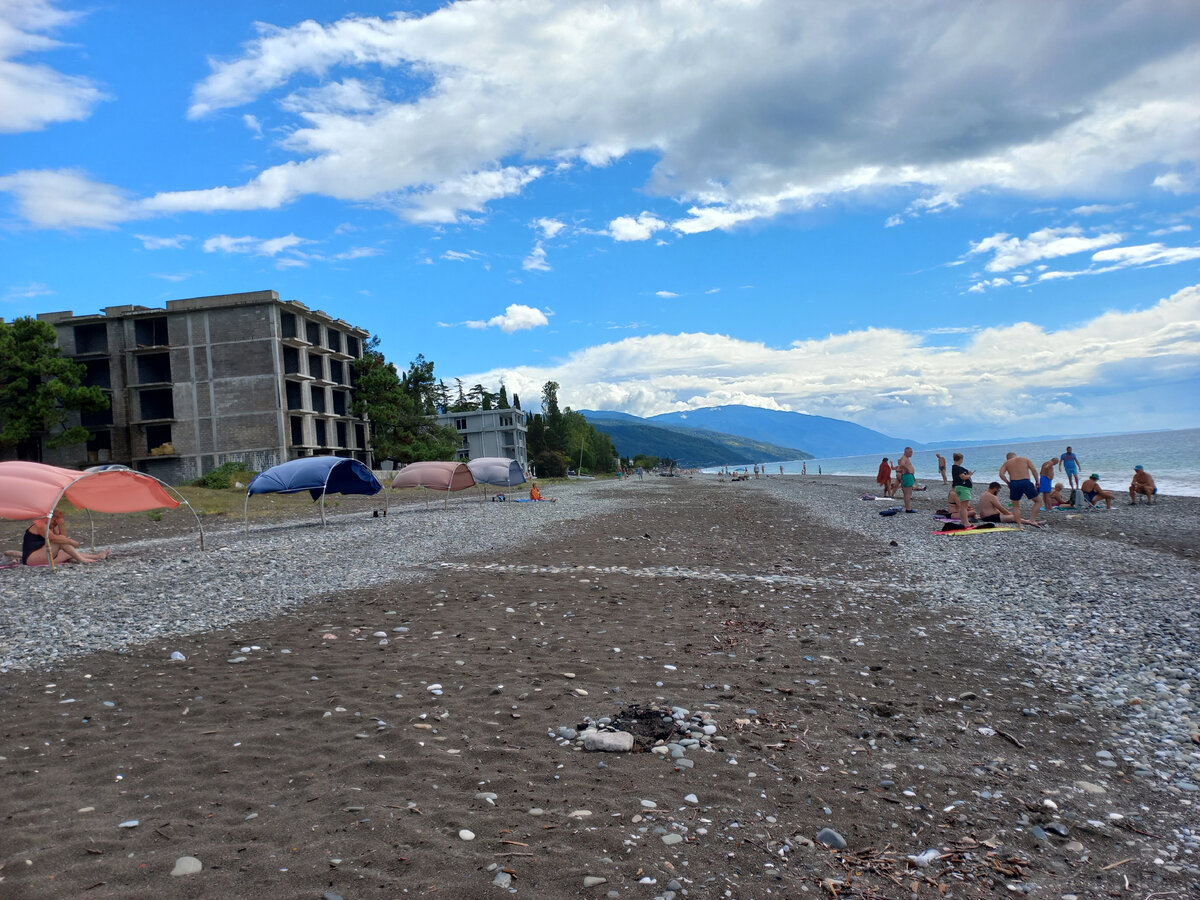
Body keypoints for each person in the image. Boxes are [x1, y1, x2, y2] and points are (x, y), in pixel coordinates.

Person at [22, 511, 110, 566]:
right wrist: (71, 541)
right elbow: (53, 539)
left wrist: (61, 524)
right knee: (59, 540)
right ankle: (81, 560)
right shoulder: (41, 525)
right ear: (50, 518)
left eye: (57, 523)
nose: (54, 525)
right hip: (31, 559)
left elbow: (63, 537)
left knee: (68, 552)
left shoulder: (51, 527)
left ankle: (98, 556)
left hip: (42, 556)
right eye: (55, 522)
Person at [998, 451, 1041, 528]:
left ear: (1007, 458)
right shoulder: (1025, 459)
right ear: (1015, 455)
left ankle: (1019, 525)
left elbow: (1001, 474)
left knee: (1016, 506)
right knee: (1038, 501)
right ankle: (1032, 520)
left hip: (1014, 483)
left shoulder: (1006, 463)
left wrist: (1007, 482)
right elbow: (1033, 470)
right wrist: (1037, 481)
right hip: (1025, 481)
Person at [950, 452, 974, 530]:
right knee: (964, 506)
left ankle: (964, 521)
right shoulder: (958, 468)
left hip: (961, 487)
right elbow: (963, 477)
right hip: (963, 488)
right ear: (961, 459)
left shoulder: (955, 468)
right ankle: (966, 522)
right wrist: (970, 474)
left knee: (963, 506)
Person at [895, 447, 916, 513]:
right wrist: (907, 469)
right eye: (910, 452)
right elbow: (902, 464)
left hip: (909, 476)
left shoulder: (906, 458)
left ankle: (908, 508)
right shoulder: (904, 457)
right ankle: (908, 509)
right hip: (907, 476)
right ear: (906, 452)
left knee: (908, 493)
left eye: (912, 452)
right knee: (908, 494)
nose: (911, 453)